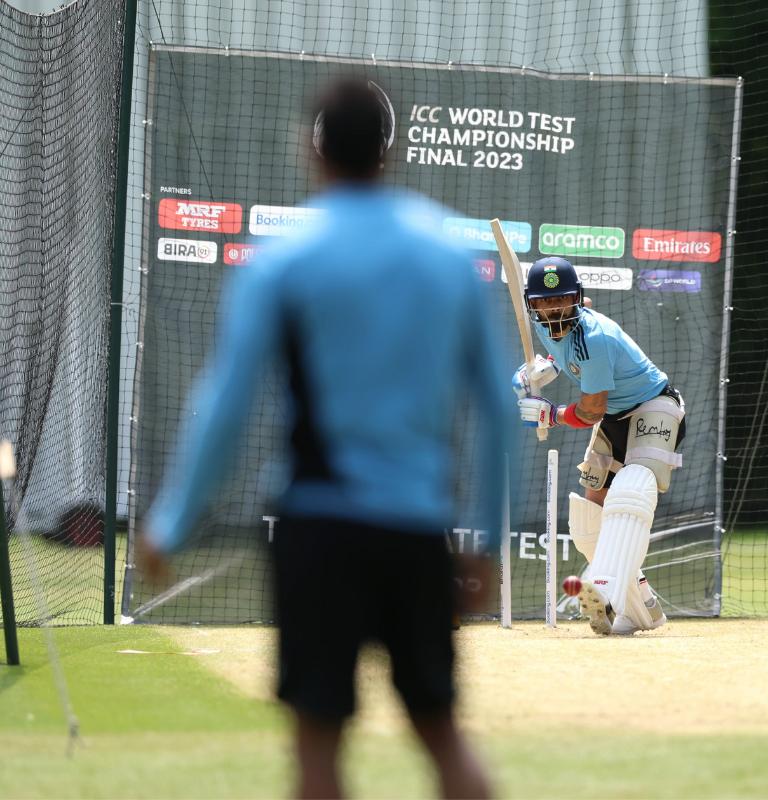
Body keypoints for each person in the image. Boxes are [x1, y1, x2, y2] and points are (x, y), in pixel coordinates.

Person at [137, 78, 509, 799]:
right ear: (390, 150)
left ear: (313, 148)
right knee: (442, 735)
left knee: (317, 746)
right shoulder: (446, 256)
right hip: (415, 530)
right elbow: (497, 407)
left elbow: (226, 402)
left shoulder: (284, 260)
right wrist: (486, 544)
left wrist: (171, 523)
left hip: (319, 529)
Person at [512, 257, 683, 636]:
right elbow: (565, 349)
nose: (553, 310)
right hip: (615, 419)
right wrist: (540, 370)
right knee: (589, 522)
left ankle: (605, 592)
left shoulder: (596, 337)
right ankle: (645, 608)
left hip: (654, 405)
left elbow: (591, 409)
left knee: (631, 489)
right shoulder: (547, 327)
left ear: (576, 298)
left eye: (562, 301)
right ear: (532, 304)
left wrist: (550, 415)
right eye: (543, 302)